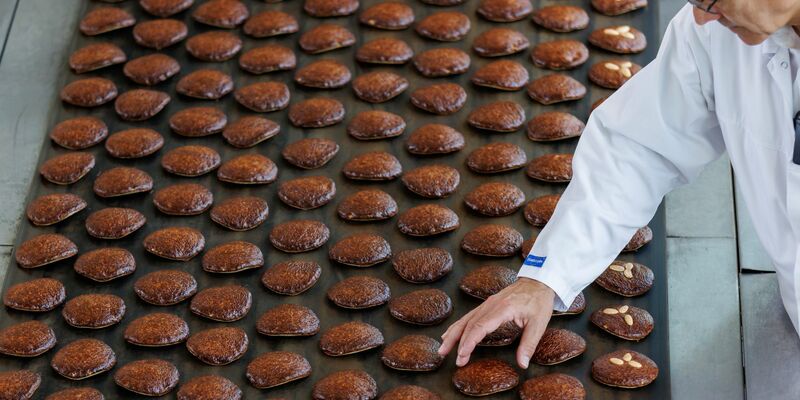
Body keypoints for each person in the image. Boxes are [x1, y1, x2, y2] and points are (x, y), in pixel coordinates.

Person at [438, 0, 800, 369]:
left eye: (712, 1)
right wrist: (546, 278)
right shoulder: (715, 33)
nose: (701, 17)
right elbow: (638, 151)